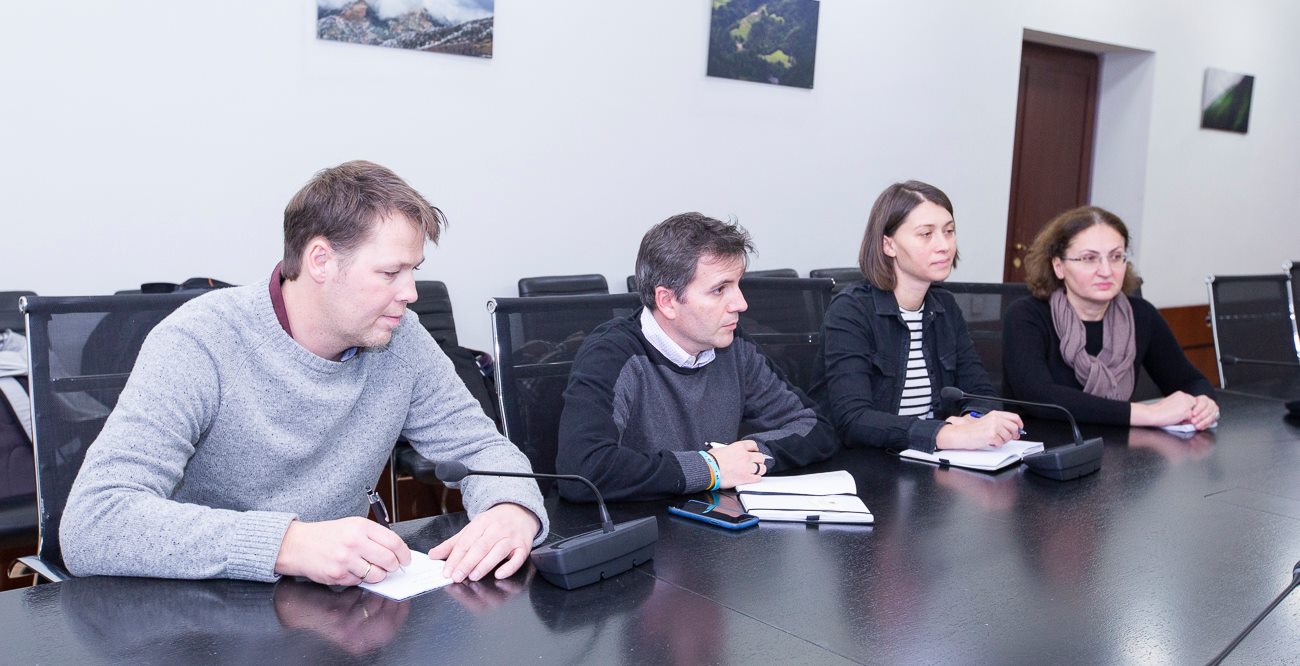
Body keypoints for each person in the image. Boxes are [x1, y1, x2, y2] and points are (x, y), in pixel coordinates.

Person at [61, 160, 548, 586]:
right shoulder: (199, 341)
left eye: (413, 271)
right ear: (320, 260)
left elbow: (482, 450)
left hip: (341, 612)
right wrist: (286, 544)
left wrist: (512, 507)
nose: (410, 293)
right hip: (204, 618)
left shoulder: (402, 339)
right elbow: (93, 523)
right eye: (389, 273)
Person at [556, 212, 837, 501]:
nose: (741, 304)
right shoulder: (612, 355)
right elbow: (582, 471)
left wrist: (745, 458)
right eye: (719, 289)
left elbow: (815, 427)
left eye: (738, 285)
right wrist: (711, 468)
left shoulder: (734, 346)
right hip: (645, 523)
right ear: (667, 301)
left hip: (716, 517)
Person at [809, 180, 1024, 452]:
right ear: (888, 245)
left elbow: (981, 391)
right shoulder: (850, 310)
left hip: (926, 459)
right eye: (926, 234)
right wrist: (945, 434)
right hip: (864, 463)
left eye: (949, 231)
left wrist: (973, 420)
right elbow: (853, 419)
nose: (944, 245)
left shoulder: (945, 306)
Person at [1002, 205, 1218, 428]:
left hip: (1119, 444)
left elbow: (1190, 381)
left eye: (1116, 257)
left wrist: (1202, 403)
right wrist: (1146, 413)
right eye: (1089, 258)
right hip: (1045, 444)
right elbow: (1039, 397)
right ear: (1059, 266)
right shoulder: (1026, 315)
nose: (1106, 271)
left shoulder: (1141, 315)